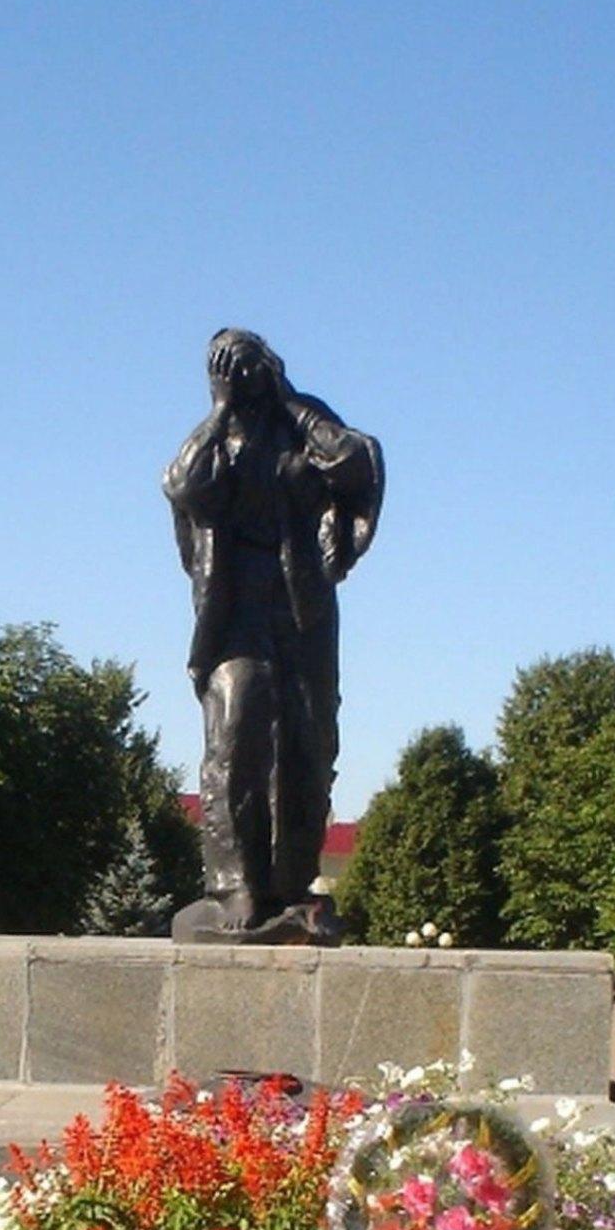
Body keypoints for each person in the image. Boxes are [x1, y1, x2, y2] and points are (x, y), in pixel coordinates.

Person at [161, 329, 383, 942]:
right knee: (237, 724)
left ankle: (289, 883)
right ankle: (234, 882)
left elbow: (356, 461)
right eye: (228, 370)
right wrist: (221, 407)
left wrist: (288, 398)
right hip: (236, 607)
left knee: (309, 742)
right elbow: (182, 485)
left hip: (302, 603)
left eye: (247, 366)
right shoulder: (218, 439)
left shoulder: (302, 427)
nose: (240, 376)